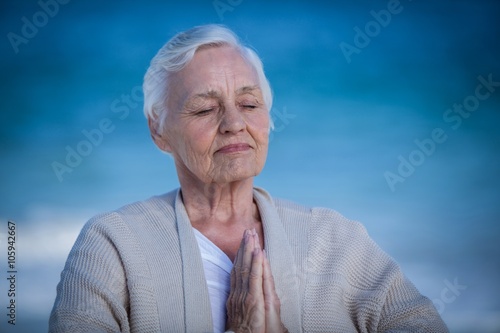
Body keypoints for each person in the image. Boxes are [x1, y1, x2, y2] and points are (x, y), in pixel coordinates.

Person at [49, 24, 449, 333]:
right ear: (158, 130)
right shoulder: (114, 246)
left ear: (268, 117)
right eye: (205, 109)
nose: (234, 123)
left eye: (248, 103)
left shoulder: (337, 240)